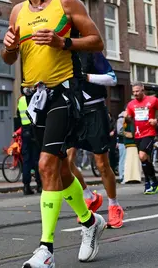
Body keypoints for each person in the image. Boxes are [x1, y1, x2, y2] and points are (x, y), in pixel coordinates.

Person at [2, 0, 107, 266]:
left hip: (63, 91)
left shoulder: (67, 2)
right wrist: (8, 46)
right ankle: (90, 223)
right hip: (33, 98)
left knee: (47, 164)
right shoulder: (17, 12)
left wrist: (64, 42)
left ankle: (45, 249)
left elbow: (97, 41)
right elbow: (9, 59)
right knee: (60, 171)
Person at [67, 52, 124, 230]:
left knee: (101, 164)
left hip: (95, 111)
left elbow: (112, 79)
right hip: (73, 112)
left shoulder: (90, 53)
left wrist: (85, 76)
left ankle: (114, 205)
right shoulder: (59, 55)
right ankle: (89, 196)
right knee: (66, 162)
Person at [126, 82, 158, 194]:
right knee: (145, 158)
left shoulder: (153, 100)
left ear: (143, 90)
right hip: (138, 134)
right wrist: (127, 118)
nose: (135, 93)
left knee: (142, 155)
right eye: (133, 92)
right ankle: (152, 182)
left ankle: (150, 181)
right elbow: (129, 119)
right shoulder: (131, 104)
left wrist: (156, 120)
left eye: (137, 91)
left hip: (149, 133)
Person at [17, 95, 42, 195]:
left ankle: (26, 186)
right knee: (37, 159)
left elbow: (18, 116)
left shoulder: (21, 100)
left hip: (25, 131)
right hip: (35, 130)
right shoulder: (36, 97)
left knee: (26, 160)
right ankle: (39, 185)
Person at [117, 110, 127, 183]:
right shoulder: (121, 119)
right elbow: (119, 131)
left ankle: (125, 175)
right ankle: (121, 176)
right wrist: (128, 133)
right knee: (122, 159)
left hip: (127, 142)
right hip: (122, 142)